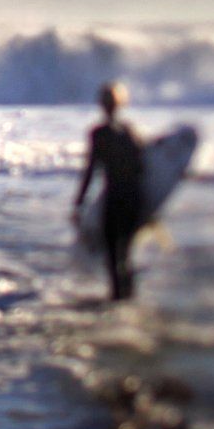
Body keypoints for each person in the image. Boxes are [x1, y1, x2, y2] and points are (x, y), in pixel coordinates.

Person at [73, 81, 146, 301]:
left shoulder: (99, 134)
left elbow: (91, 170)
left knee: (114, 255)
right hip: (134, 199)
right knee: (125, 253)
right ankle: (128, 297)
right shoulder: (129, 132)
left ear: (102, 106)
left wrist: (79, 202)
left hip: (115, 199)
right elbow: (142, 165)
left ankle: (118, 300)